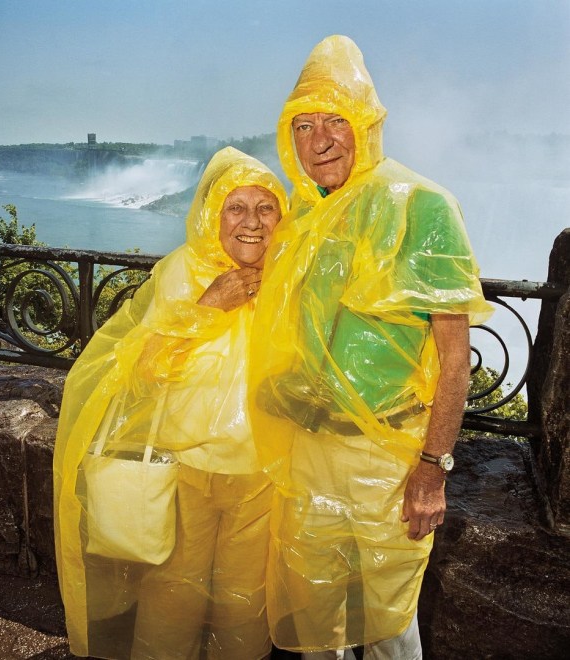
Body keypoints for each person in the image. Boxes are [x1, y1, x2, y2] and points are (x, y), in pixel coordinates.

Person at [248, 35, 494, 659]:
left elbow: (455, 359)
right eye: (304, 124)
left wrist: (432, 468)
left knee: (388, 627)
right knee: (315, 625)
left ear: (366, 125)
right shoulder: (302, 218)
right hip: (305, 450)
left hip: (384, 460)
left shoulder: (421, 205)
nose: (321, 139)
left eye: (337, 120)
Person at [53, 146, 287, 660]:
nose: (251, 222)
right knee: (171, 599)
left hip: (263, 476)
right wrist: (208, 306)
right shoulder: (182, 271)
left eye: (265, 208)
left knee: (244, 606)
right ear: (212, 215)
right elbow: (143, 368)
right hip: (185, 470)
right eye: (235, 207)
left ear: (281, 217)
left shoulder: (293, 277)